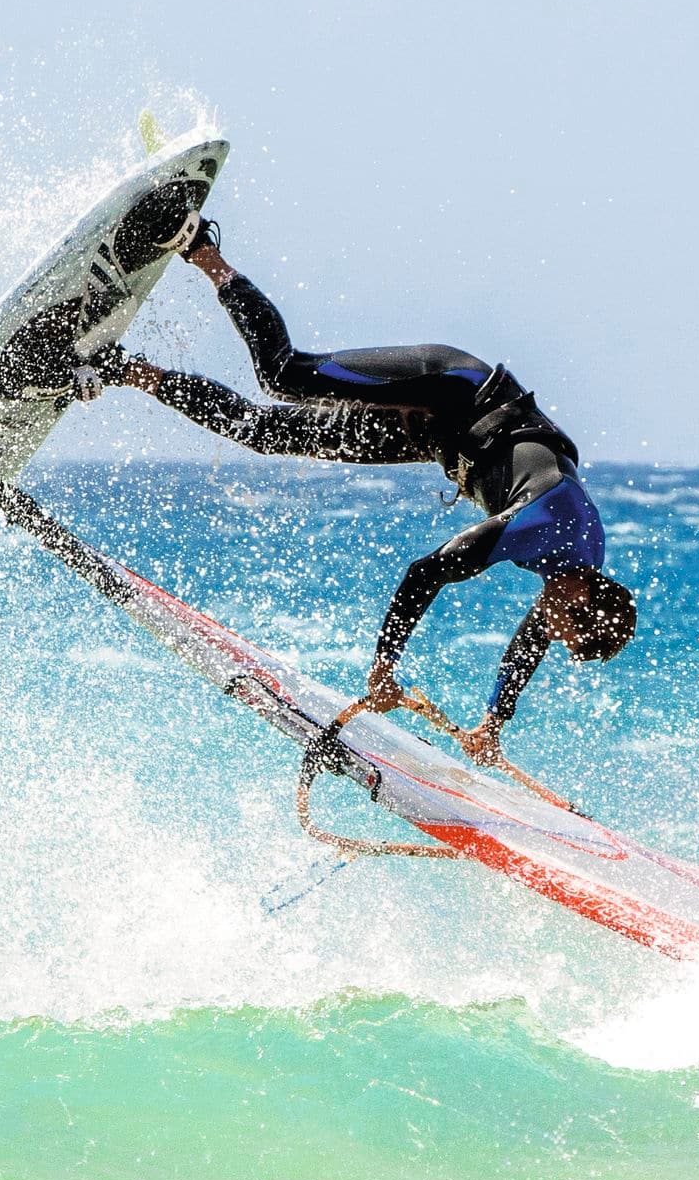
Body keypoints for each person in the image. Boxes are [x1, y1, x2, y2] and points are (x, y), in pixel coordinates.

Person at [69, 208, 636, 766]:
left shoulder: (576, 571)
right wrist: (384, 666)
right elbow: (426, 571)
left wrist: (493, 722)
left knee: (263, 433)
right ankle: (200, 246)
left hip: (435, 439)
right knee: (284, 375)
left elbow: (527, 646)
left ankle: (118, 367)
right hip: (453, 391)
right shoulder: (545, 522)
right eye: (562, 627)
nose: (545, 626)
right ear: (582, 597)